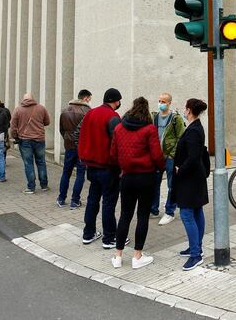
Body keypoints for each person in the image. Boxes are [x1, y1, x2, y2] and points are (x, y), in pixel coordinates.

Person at [109, 97, 164, 269]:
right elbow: (156, 155)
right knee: (142, 216)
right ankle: (137, 256)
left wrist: (120, 169)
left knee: (125, 215)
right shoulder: (149, 129)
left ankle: (117, 256)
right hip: (146, 177)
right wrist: (160, 168)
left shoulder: (119, 128)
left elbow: (113, 154)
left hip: (127, 177)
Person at [78, 88, 123, 248]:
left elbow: (81, 135)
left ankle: (88, 233)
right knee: (108, 203)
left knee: (93, 200)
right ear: (116, 101)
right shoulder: (113, 117)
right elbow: (117, 143)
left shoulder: (91, 113)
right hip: (108, 167)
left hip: (91, 165)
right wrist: (121, 166)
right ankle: (109, 238)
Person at [173, 98, 210, 271]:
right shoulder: (195, 127)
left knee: (187, 213)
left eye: (185, 108)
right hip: (195, 178)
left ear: (188, 110)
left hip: (190, 178)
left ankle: (196, 254)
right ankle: (195, 247)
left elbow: (194, 157)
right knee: (196, 211)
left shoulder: (194, 130)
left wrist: (181, 169)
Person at [150, 92, 186, 225]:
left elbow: (181, 138)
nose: (161, 103)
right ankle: (153, 209)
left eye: (163, 101)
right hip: (157, 156)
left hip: (170, 157)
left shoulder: (175, 118)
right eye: (159, 101)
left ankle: (169, 211)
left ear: (169, 103)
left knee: (172, 185)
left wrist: (172, 154)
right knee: (155, 183)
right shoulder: (154, 117)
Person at [9, 93, 51, 194]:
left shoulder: (18, 110)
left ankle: (31, 187)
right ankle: (44, 185)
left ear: (23, 99)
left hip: (25, 140)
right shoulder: (41, 108)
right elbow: (47, 122)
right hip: (39, 139)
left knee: (28, 163)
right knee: (41, 162)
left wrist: (15, 136)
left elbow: (13, 126)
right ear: (33, 99)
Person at [57, 89, 93, 209]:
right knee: (80, 173)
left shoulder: (65, 110)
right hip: (82, 147)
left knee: (66, 172)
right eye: (90, 98)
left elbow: (61, 129)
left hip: (69, 146)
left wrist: (67, 139)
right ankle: (75, 200)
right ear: (86, 98)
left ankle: (61, 198)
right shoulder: (88, 111)